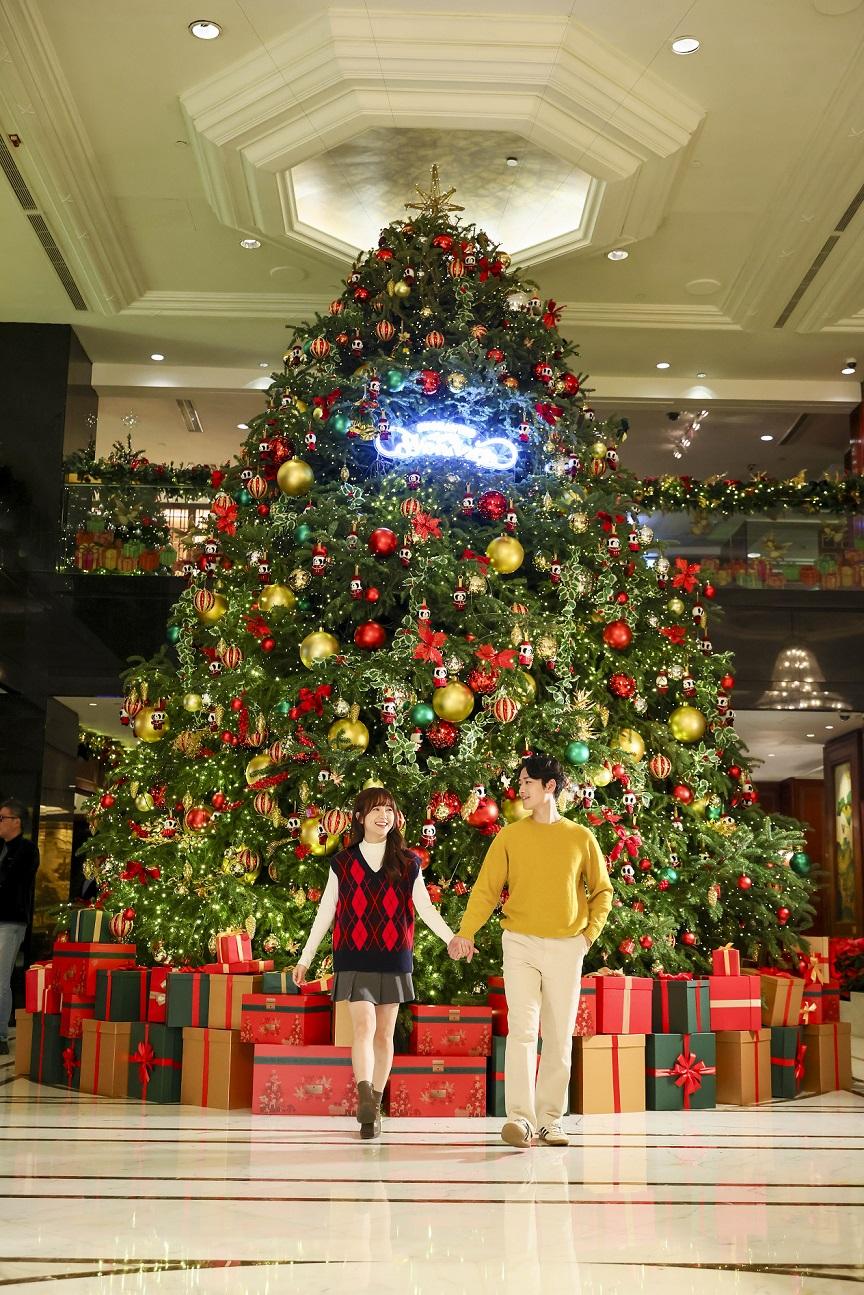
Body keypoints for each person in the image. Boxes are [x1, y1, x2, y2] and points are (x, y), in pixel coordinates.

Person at [292, 787, 468, 1139]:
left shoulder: (408, 863)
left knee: (384, 1034)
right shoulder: (343, 863)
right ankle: (366, 1098)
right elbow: (326, 912)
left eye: (388, 810)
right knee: (364, 1028)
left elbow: (425, 907)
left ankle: (372, 1105)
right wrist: (305, 958)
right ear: (359, 818)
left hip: (393, 956)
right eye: (375, 810)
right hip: (353, 955)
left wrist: (451, 937)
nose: (383, 816)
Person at [456, 753, 612, 1149]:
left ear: (549, 786)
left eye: (527, 782)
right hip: (520, 944)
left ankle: (551, 1121)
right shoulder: (510, 837)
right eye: (521, 782)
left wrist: (586, 938)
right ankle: (521, 1120)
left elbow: (603, 892)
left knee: (558, 1037)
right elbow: (486, 890)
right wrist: (466, 932)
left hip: (567, 946)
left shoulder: (580, 837)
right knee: (523, 1032)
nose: (520, 789)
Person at [0, 798, 40, 1056]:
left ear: (16, 821)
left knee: (1, 978)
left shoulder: (27, 850)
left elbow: (14, 881)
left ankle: (1, 1035)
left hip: (10, 920)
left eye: (2, 818)